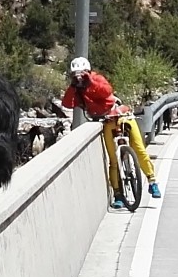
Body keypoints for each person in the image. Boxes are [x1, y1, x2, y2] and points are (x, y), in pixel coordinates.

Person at [62, 56, 160, 204]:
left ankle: (152, 182)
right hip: (106, 121)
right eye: (76, 75)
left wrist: (90, 81)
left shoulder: (97, 79)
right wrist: (73, 86)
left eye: (82, 73)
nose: (80, 77)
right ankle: (118, 194)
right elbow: (67, 104)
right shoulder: (77, 89)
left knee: (139, 149)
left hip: (120, 114)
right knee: (113, 160)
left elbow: (107, 91)